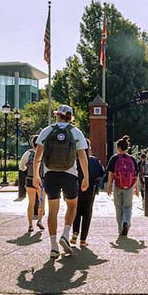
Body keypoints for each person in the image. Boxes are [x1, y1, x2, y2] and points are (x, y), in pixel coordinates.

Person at [33, 104, 89, 259]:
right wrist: (86, 177)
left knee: (53, 210)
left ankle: (53, 246)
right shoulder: (76, 132)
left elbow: (38, 156)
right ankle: (65, 234)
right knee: (72, 206)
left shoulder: (47, 130)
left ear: (57, 115)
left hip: (51, 175)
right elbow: (83, 157)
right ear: (70, 117)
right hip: (69, 175)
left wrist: (36, 175)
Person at [72, 142, 105, 247]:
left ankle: (75, 233)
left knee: (76, 212)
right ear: (89, 148)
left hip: (76, 189)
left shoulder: (74, 161)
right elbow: (101, 173)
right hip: (90, 190)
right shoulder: (93, 161)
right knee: (87, 214)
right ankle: (83, 240)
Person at [106, 135, 140, 236]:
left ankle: (120, 229)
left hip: (117, 185)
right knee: (128, 207)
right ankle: (126, 222)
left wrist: (108, 186)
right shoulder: (132, 159)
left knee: (118, 207)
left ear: (118, 148)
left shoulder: (114, 158)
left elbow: (110, 174)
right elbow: (135, 175)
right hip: (129, 186)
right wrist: (136, 188)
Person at [19, 138, 45, 233]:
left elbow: (21, 166)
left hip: (30, 179)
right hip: (41, 180)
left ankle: (30, 225)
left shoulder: (28, 153)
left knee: (31, 202)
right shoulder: (44, 153)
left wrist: (26, 168)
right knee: (41, 202)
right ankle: (39, 220)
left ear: (32, 144)